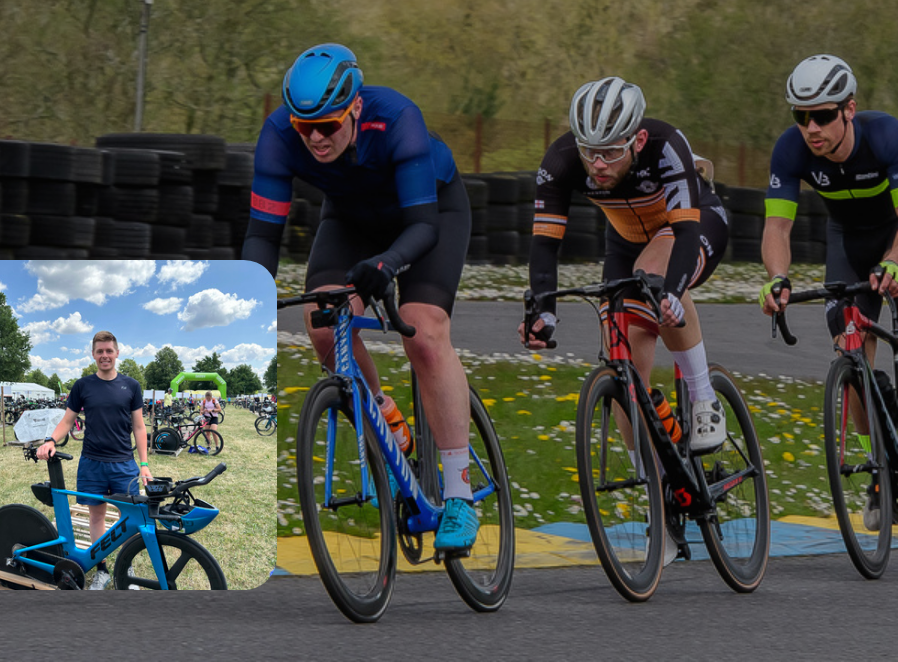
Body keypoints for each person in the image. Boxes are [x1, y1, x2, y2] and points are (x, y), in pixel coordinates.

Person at [242, 43, 480, 553]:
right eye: (304, 127)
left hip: (429, 212)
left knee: (423, 331)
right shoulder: (278, 136)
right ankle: (384, 418)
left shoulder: (396, 118)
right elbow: (263, 235)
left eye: (327, 125)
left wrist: (387, 265)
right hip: (351, 219)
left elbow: (422, 227)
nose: (315, 138)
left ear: (354, 108)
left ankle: (460, 493)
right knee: (322, 321)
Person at [759, 55, 898, 526]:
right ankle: (879, 466)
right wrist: (777, 277)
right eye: (801, 116)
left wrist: (894, 261)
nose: (812, 128)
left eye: (823, 115)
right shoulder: (790, 149)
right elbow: (777, 227)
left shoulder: (884, 135)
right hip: (848, 240)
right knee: (851, 353)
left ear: (849, 109)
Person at [521, 76, 730, 451]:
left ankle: (704, 399)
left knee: (653, 274)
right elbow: (545, 244)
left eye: (611, 152)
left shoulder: (666, 145)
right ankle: (651, 476)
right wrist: (544, 312)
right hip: (624, 242)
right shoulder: (561, 159)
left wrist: (673, 293)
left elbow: (684, 233)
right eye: (589, 152)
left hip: (691, 225)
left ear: (639, 140)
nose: (598, 164)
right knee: (624, 370)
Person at [39, 331, 149, 589]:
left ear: (117, 353)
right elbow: (68, 421)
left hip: (124, 463)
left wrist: (144, 464)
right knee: (96, 517)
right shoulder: (82, 386)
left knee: (128, 519)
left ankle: (126, 569)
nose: (105, 355)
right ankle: (102, 570)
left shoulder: (131, 386)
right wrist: (50, 440)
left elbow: (139, 427)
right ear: (93, 354)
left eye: (109, 351)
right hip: (92, 463)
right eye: (100, 351)